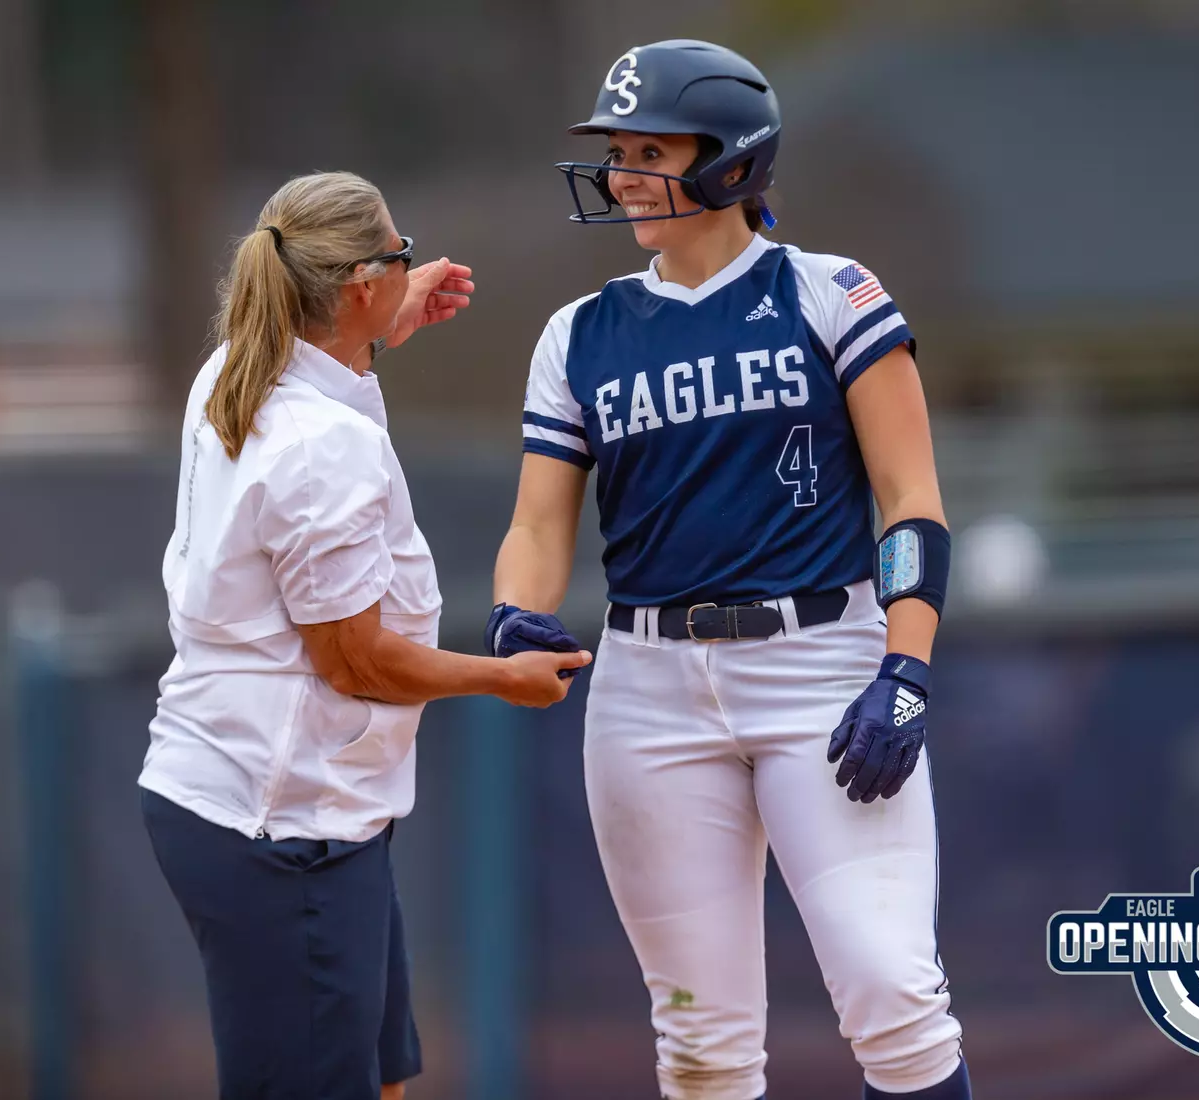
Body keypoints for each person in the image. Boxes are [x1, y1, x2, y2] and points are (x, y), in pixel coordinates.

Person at [490, 39, 970, 1100]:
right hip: (648, 685)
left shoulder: (830, 293)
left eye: (650, 148)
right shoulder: (579, 334)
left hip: (823, 665)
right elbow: (537, 524)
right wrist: (515, 610)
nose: (622, 173)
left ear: (732, 161)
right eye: (618, 150)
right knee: (703, 1048)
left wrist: (905, 669)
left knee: (894, 994)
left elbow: (911, 498)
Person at [139, 170, 592, 1100]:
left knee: (379, 1073)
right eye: (401, 255)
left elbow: (321, 397)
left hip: (289, 802)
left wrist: (387, 316)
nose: (414, 265)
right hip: (280, 823)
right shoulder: (320, 446)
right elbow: (355, 660)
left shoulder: (236, 362)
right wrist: (502, 680)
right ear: (354, 284)